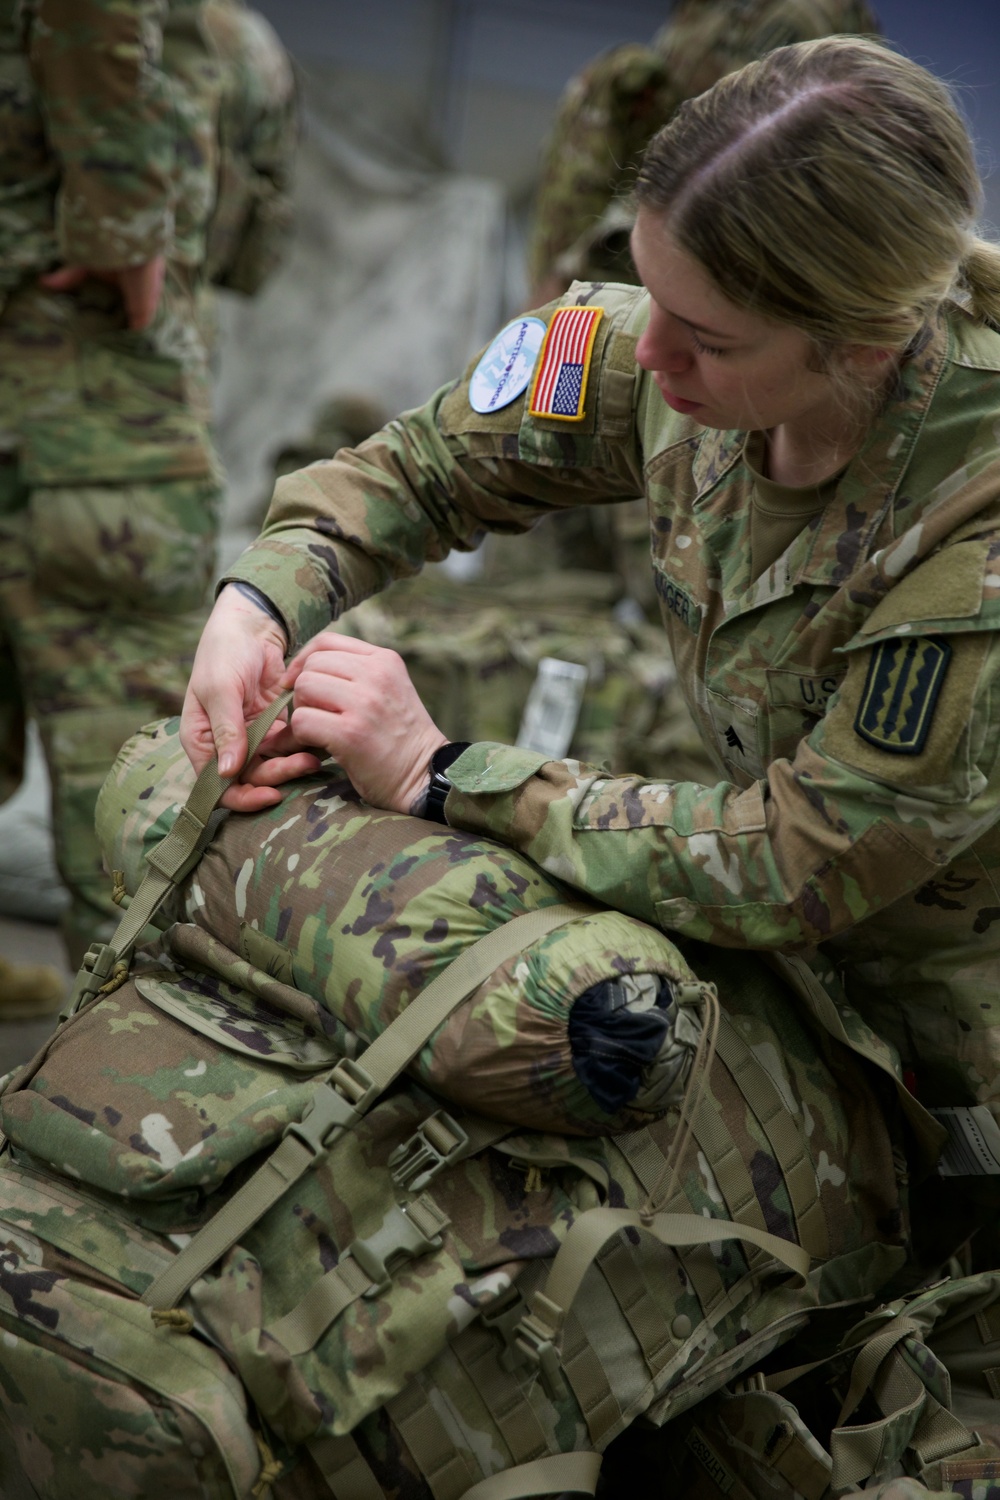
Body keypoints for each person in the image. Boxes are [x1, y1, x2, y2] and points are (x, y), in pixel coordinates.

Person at [181, 36, 1000, 1227]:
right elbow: (420, 468)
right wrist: (260, 596)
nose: (653, 354)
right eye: (652, 294)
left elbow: (797, 859)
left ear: (860, 341)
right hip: (769, 979)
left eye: (707, 339)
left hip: (939, 1080)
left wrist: (440, 771)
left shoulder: (973, 531)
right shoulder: (673, 350)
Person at [0, 0, 295, 1007]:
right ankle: (114, 1058)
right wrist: (125, 220)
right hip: (89, 387)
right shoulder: (233, 44)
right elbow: (249, 250)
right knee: (133, 760)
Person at [527, 0, 881, 305]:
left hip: (711, 270)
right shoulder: (711, 11)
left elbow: (725, 162)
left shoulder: (797, 15)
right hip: (650, 261)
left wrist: (572, 280)